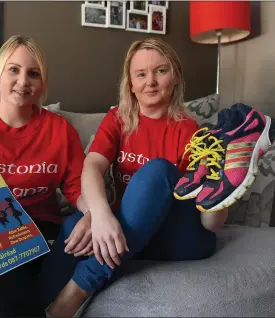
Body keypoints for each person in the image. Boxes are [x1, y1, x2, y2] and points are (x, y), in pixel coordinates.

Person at [40, 38, 229, 317]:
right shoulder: (118, 118)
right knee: (74, 228)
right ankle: (33, 308)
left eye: (160, 71)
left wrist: (223, 185)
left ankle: (75, 293)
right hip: (138, 232)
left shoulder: (190, 131)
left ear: (175, 76)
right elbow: (92, 166)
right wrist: (100, 215)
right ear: (130, 83)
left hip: (183, 237)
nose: (150, 81)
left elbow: (211, 224)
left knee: (158, 171)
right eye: (141, 74)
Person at [0, 35, 88, 316]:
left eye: (33, 74)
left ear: (43, 83)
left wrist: (93, 214)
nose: (23, 81)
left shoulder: (60, 131)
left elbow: (78, 189)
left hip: (41, 233)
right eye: (14, 69)